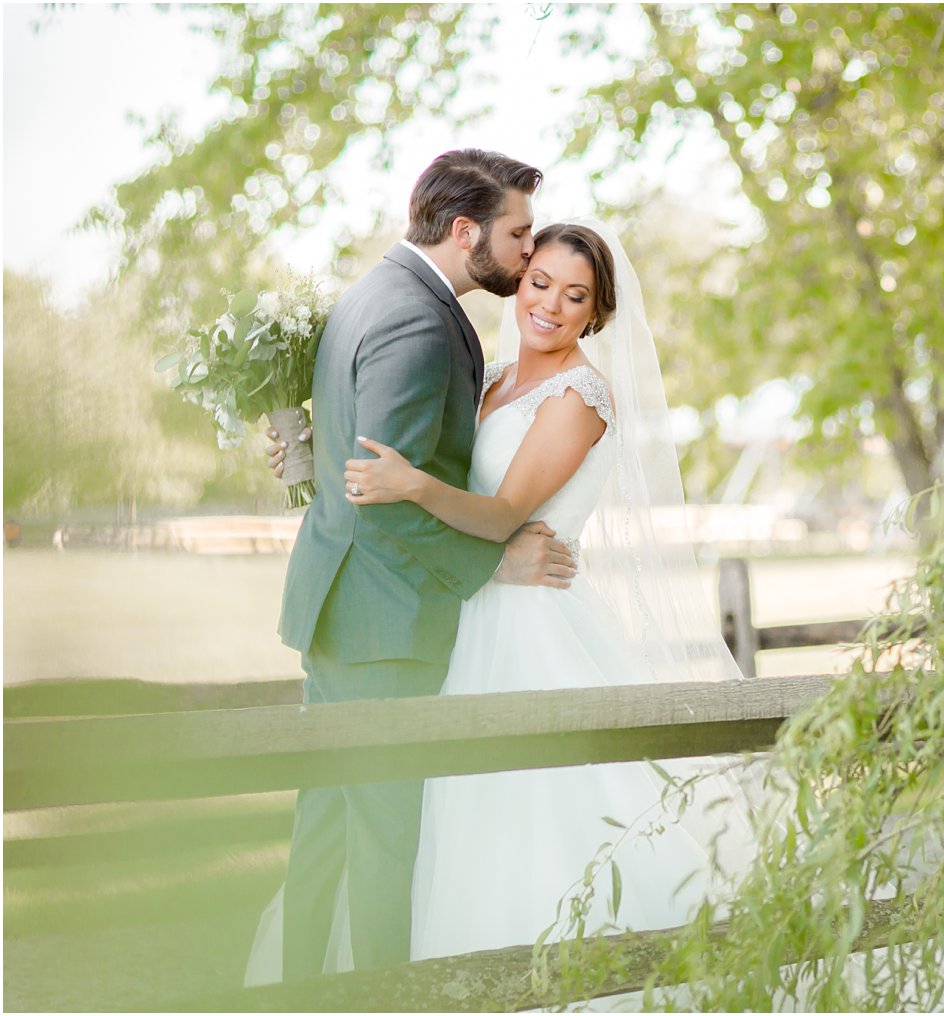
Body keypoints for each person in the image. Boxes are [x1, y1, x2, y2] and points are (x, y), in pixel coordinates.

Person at [342, 219, 750, 962]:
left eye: (575, 296)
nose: (551, 307)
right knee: (459, 814)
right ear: (520, 281)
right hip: (470, 611)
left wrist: (411, 483)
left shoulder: (580, 397)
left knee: (538, 813)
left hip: (533, 627)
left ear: (596, 313)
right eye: (540, 283)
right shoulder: (492, 379)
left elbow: (503, 515)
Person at [269, 149, 582, 982]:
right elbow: (386, 494)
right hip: (386, 621)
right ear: (465, 229)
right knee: (383, 842)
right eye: (518, 235)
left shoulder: (377, 291)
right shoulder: (415, 317)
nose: (527, 252)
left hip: (344, 613)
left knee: (328, 834)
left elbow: (352, 458)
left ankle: (302, 998)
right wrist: (493, 566)